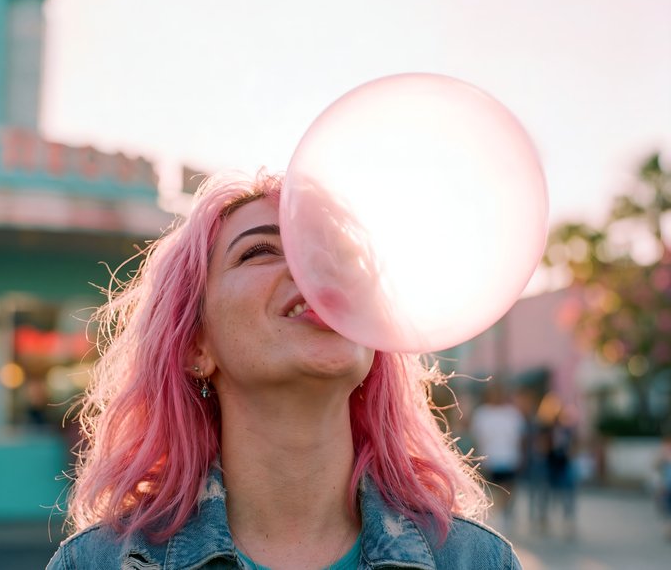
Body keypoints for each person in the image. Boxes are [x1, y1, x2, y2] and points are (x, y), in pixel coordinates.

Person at [47, 171, 521, 569]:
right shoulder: (98, 562)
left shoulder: (475, 559)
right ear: (195, 344)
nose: (317, 272)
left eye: (337, 257)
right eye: (260, 251)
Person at [469, 383, 525, 529]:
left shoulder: (512, 413)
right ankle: (499, 515)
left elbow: (519, 437)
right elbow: (477, 437)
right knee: (495, 491)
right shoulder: (482, 413)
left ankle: (505, 514)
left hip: (509, 457)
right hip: (490, 459)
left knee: (508, 490)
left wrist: (521, 456)